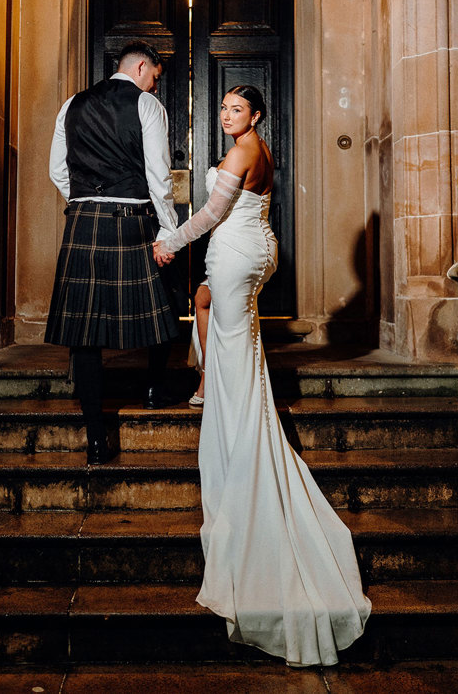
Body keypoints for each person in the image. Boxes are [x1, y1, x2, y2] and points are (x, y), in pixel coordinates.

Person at [153, 85, 371, 667]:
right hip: (253, 250)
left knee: (233, 343)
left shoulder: (243, 153)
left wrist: (170, 241)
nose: (227, 116)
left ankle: (242, 439)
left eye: (236, 110)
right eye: (223, 108)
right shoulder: (260, 147)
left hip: (235, 251)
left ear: (255, 116)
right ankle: (209, 388)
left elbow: (211, 213)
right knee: (219, 322)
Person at [46, 41, 179, 464]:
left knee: (84, 333)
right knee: (159, 306)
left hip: (82, 221)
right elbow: (159, 176)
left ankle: (96, 439)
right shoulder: (147, 106)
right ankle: (155, 390)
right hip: (132, 219)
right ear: (141, 67)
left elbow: (57, 170)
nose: (155, 86)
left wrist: (86, 200)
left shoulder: (72, 104)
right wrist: (169, 232)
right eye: (155, 77)